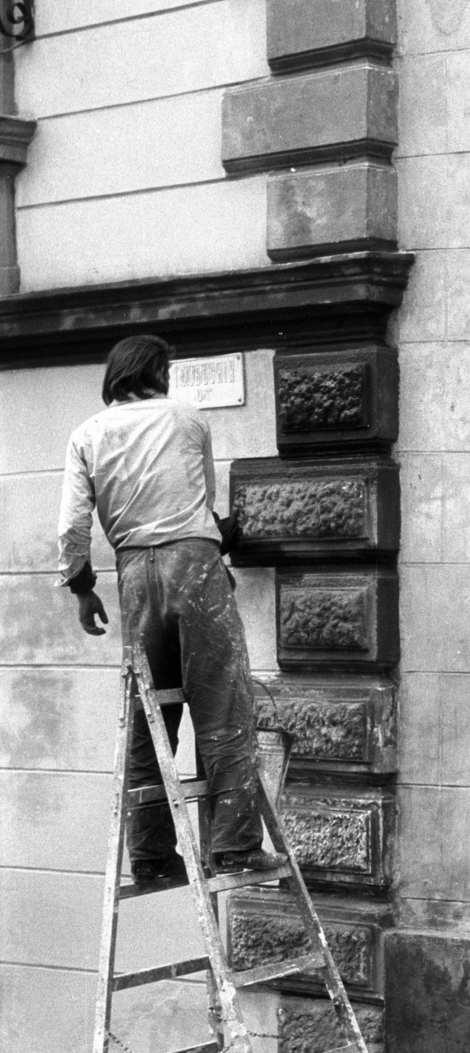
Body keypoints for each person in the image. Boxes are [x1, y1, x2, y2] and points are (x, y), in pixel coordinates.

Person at [57, 333, 278, 887]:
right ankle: (233, 847)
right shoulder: (187, 417)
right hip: (193, 566)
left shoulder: (86, 434)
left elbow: (72, 527)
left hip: (134, 574)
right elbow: (201, 502)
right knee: (222, 706)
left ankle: (152, 858)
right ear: (159, 371)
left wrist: (84, 588)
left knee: (147, 716)